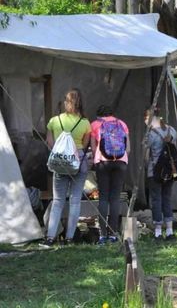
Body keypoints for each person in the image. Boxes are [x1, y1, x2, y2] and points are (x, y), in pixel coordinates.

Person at [42, 88, 91, 246]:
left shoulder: (55, 121)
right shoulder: (85, 123)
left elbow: (50, 143)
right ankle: (70, 237)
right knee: (75, 201)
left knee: (57, 201)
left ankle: (50, 237)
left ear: (66, 102)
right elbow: (84, 145)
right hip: (78, 164)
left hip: (60, 164)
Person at [90, 105, 130, 245]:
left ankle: (102, 234)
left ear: (99, 115)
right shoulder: (122, 124)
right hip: (120, 163)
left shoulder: (96, 124)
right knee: (115, 198)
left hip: (103, 163)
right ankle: (113, 234)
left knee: (103, 197)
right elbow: (128, 147)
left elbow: (94, 147)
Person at [144, 108, 177, 240]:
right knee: (167, 199)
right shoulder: (172, 130)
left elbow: (146, 155)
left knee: (156, 200)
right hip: (170, 170)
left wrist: (148, 166)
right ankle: (170, 230)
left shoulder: (150, 134)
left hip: (155, 171)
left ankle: (158, 231)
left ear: (149, 118)